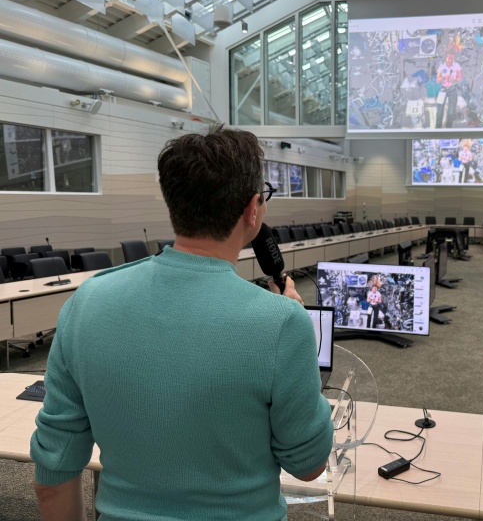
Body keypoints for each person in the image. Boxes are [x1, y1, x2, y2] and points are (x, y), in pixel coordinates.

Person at [30, 125, 333, 521]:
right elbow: (309, 466)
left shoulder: (85, 304)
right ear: (253, 209)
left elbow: (52, 479)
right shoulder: (281, 322)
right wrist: (296, 340)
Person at [435, 54, 462, 128]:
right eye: (449, 58)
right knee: (439, 112)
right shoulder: (441, 66)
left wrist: (454, 79)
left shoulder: (457, 65)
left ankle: (448, 129)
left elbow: (460, 78)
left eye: (452, 58)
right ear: (446, 58)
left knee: (451, 112)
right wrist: (444, 77)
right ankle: (437, 130)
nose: (450, 60)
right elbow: (437, 80)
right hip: (442, 89)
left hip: (453, 90)